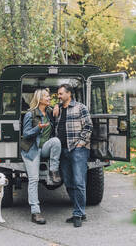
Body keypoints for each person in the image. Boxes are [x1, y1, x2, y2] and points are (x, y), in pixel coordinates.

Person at [20, 88, 62, 225]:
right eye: (46, 96)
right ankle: (35, 212)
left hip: (44, 148)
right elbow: (25, 134)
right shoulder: (30, 114)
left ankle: (53, 170)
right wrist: (38, 128)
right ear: (39, 98)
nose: (49, 98)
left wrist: (58, 105)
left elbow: (63, 108)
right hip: (31, 149)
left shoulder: (49, 112)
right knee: (34, 179)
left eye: (49, 96)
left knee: (56, 141)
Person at [54, 83, 93, 228]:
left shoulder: (80, 107)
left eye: (60, 93)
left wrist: (81, 143)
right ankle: (80, 211)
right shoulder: (58, 108)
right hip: (63, 150)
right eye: (58, 94)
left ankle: (77, 214)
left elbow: (88, 126)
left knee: (79, 182)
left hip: (77, 150)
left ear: (69, 94)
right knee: (69, 182)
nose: (58, 96)